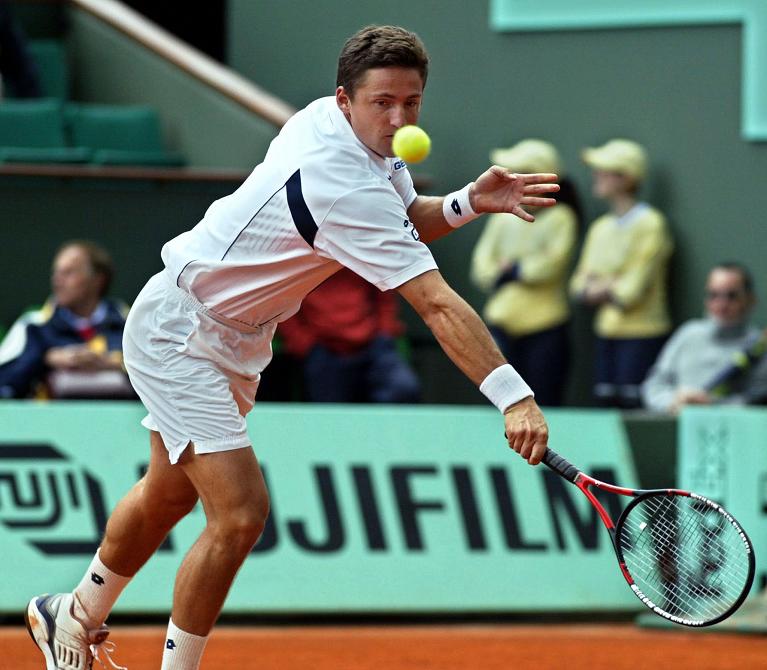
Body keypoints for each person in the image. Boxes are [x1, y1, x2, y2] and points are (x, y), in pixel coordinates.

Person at [24, 25, 557, 670]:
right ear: (344, 99)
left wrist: (468, 201)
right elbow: (436, 303)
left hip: (235, 336)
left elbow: (402, 217)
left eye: (411, 102)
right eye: (382, 102)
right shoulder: (340, 182)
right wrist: (514, 397)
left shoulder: (330, 128)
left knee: (169, 492)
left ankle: (71, 616)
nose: (398, 119)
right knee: (241, 513)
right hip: (180, 331)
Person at [470, 139, 580, 406]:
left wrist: (516, 269)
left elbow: (550, 265)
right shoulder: (502, 218)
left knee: (544, 400)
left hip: (545, 329)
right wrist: (501, 272)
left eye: (519, 173)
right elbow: (481, 267)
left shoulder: (561, 218)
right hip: (500, 329)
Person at [570, 138, 673, 409]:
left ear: (626, 178)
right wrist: (607, 285)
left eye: (604, 170)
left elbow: (631, 290)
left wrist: (603, 285)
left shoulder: (651, 224)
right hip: (606, 333)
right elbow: (579, 284)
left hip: (643, 335)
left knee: (633, 411)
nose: (596, 176)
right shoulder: (599, 228)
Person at [0, 240, 131, 399]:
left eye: (69, 273)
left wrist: (116, 365)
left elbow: (163, 383)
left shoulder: (131, 326)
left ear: (98, 280)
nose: (57, 281)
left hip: (120, 422)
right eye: (56, 273)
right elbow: (5, 383)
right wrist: (45, 359)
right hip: (48, 422)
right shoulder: (34, 326)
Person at [277, 267, 421, 403]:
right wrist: (306, 345)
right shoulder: (296, 256)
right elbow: (281, 307)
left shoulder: (361, 248)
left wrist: (384, 332)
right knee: (329, 417)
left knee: (403, 388)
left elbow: (384, 294)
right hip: (323, 351)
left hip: (373, 345)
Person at [642, 263, 767, 413]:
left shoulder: (760, 345)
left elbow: (758, 402)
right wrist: (673, 402)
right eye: (713, 295)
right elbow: (654, 386)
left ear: (750, 300)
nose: (721, 304)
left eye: (731, 296)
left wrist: (713, 406)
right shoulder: (687, 334)